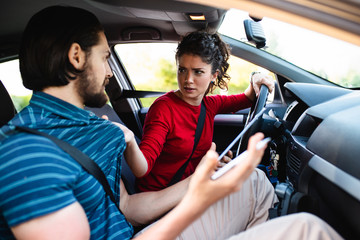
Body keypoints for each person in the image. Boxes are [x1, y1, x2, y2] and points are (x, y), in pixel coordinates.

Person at [0, 5, 343, 240]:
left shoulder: (98, 129)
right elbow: (144, 174)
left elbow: (129, 209)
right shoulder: (26, 156)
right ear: (77, 57)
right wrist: (195, 198)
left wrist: (202, 180)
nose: (109, 72)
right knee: (307, 229)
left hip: (138, 228)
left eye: (198, 73)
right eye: (106, 58)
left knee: (253, 182)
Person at [137, 31, 274, 191]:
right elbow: (143, 166)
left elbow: (248, 97)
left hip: (194, 188)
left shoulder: (209, 105)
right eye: (182, 70)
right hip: (160, 197)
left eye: (198, 72)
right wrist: (129, 142)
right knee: (255, 184)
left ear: (214, 75)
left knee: (256, 180)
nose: (188, 79)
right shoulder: (163, 108)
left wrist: (256, 77)